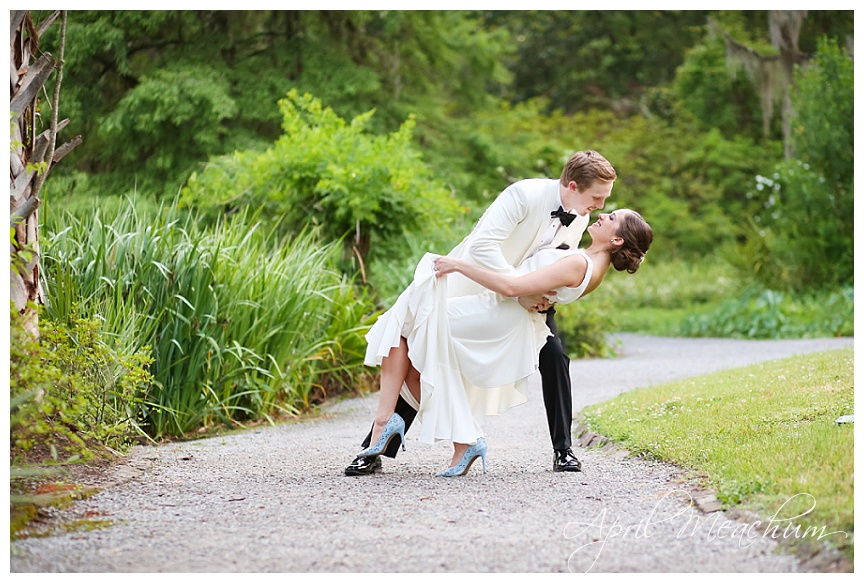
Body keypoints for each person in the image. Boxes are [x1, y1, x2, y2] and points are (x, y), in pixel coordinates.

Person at [345, 150, 617, 476]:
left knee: (555, 355)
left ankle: (563, 450)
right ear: (573, 186)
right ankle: (376, 448)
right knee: (422, 347)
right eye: (597, 197)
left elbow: (559, 264)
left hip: (523, 300)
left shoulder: (581, 215)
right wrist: (514, 288)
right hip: (474, 283)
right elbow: (482, 246)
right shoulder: (522, 195)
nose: (600, 206)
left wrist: (540, 296)